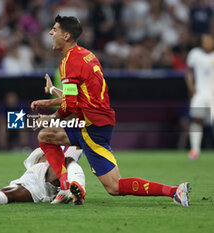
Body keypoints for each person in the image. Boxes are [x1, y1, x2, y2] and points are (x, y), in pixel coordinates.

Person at [31, 15, 191, 207]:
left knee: (114, 187)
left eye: (54, 29)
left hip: (91, 128)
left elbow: (70, 106)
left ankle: (175, 191)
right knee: (46, 136)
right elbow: (79, 97)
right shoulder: (86, 55)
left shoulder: (69, 62)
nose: (50, 32)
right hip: (95, 121)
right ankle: (65, 186)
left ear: (66, 36)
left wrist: (50, 118)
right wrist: (50, 98)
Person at [185, 34, 214, 160]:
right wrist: (191, 87)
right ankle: (195, 150)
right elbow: (189, 72)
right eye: (205, 40)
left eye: (209, 40)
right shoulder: (195, 54)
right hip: (200, 91)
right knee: (197, 119)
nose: (207, 42)